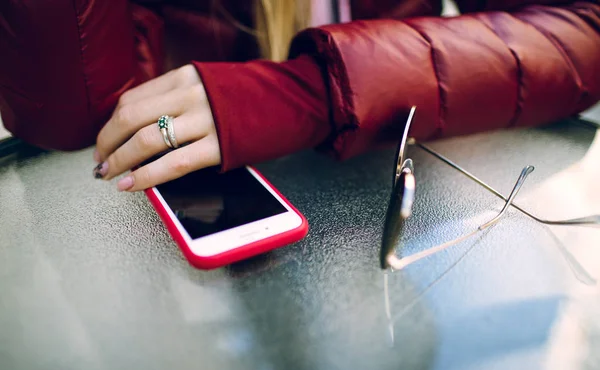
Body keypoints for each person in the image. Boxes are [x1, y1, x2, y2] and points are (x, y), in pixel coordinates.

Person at [0, 0, 598, 192]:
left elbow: (583, 33)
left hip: (398, 196)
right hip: (188, 242)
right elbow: (73, 116)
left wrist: (311, 93)